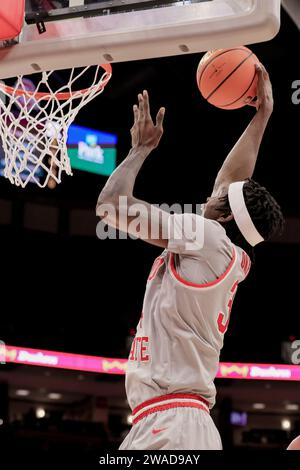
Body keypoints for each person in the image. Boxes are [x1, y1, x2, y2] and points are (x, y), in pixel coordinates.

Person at [96, 64, 284, 450]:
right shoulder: (231, 255)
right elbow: (229, 185)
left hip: (171, 425)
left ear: (226, 213)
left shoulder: (204, 236)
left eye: (219, 196)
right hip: (177, 420)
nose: (212, 191)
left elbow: (111, 206)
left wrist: (139, 150)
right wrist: (262, 115)